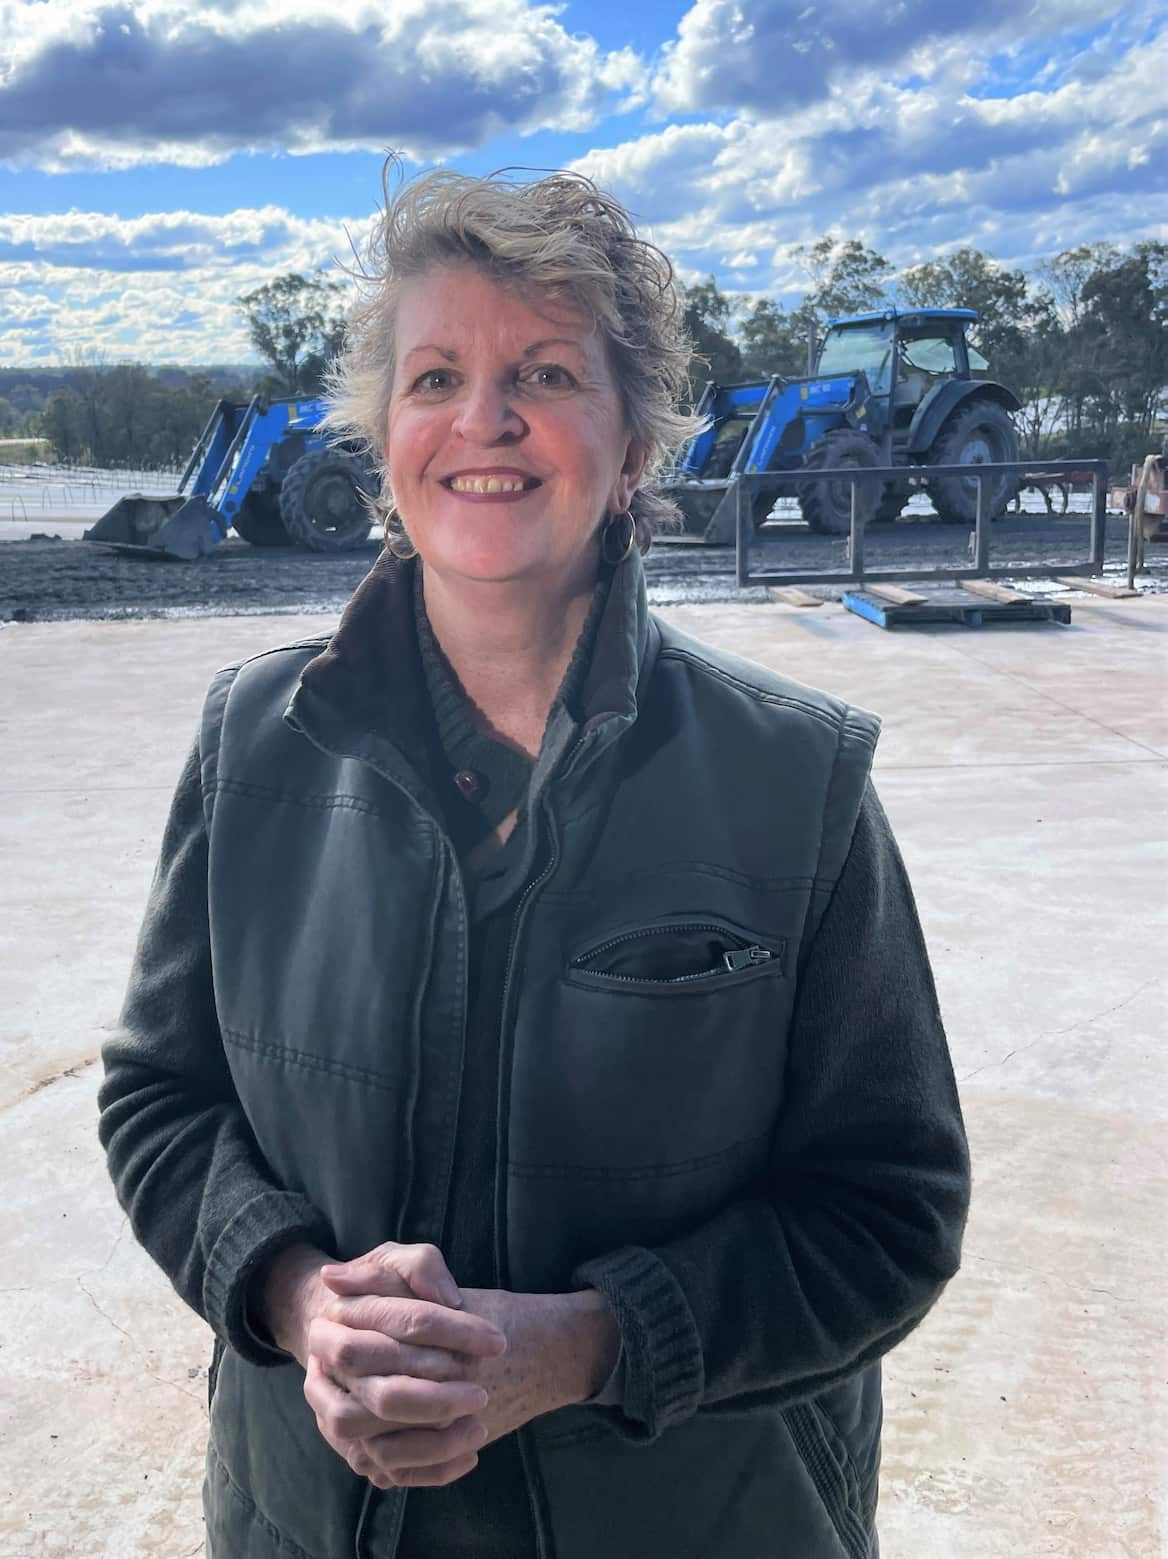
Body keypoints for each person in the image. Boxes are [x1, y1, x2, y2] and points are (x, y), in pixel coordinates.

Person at [98, 167, 971, 1559]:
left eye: (547, 371)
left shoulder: (794, 782)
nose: (483, 420)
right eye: (437, 373)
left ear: (633, 445)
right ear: (384, 433)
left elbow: (890, 1211)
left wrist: (580, 1345)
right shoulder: (254, 744)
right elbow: (159, 1098)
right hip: (308, 1522)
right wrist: (293, 1297)